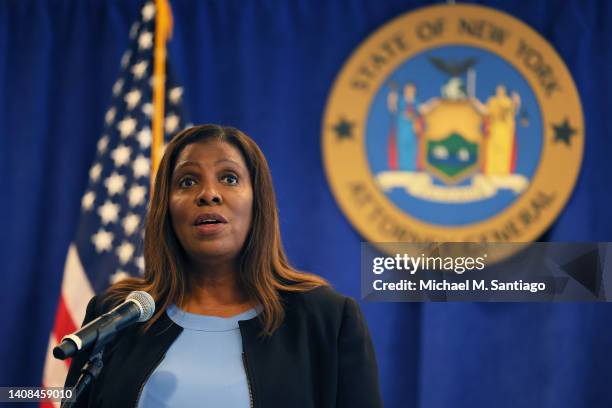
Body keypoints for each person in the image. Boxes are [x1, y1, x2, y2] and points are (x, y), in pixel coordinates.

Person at [64, 124, 383, 407]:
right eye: (187, 182)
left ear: (258, 202)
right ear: (166, 208)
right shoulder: (116, 317)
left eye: (229, 178)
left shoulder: (326, 321)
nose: (208, 194)